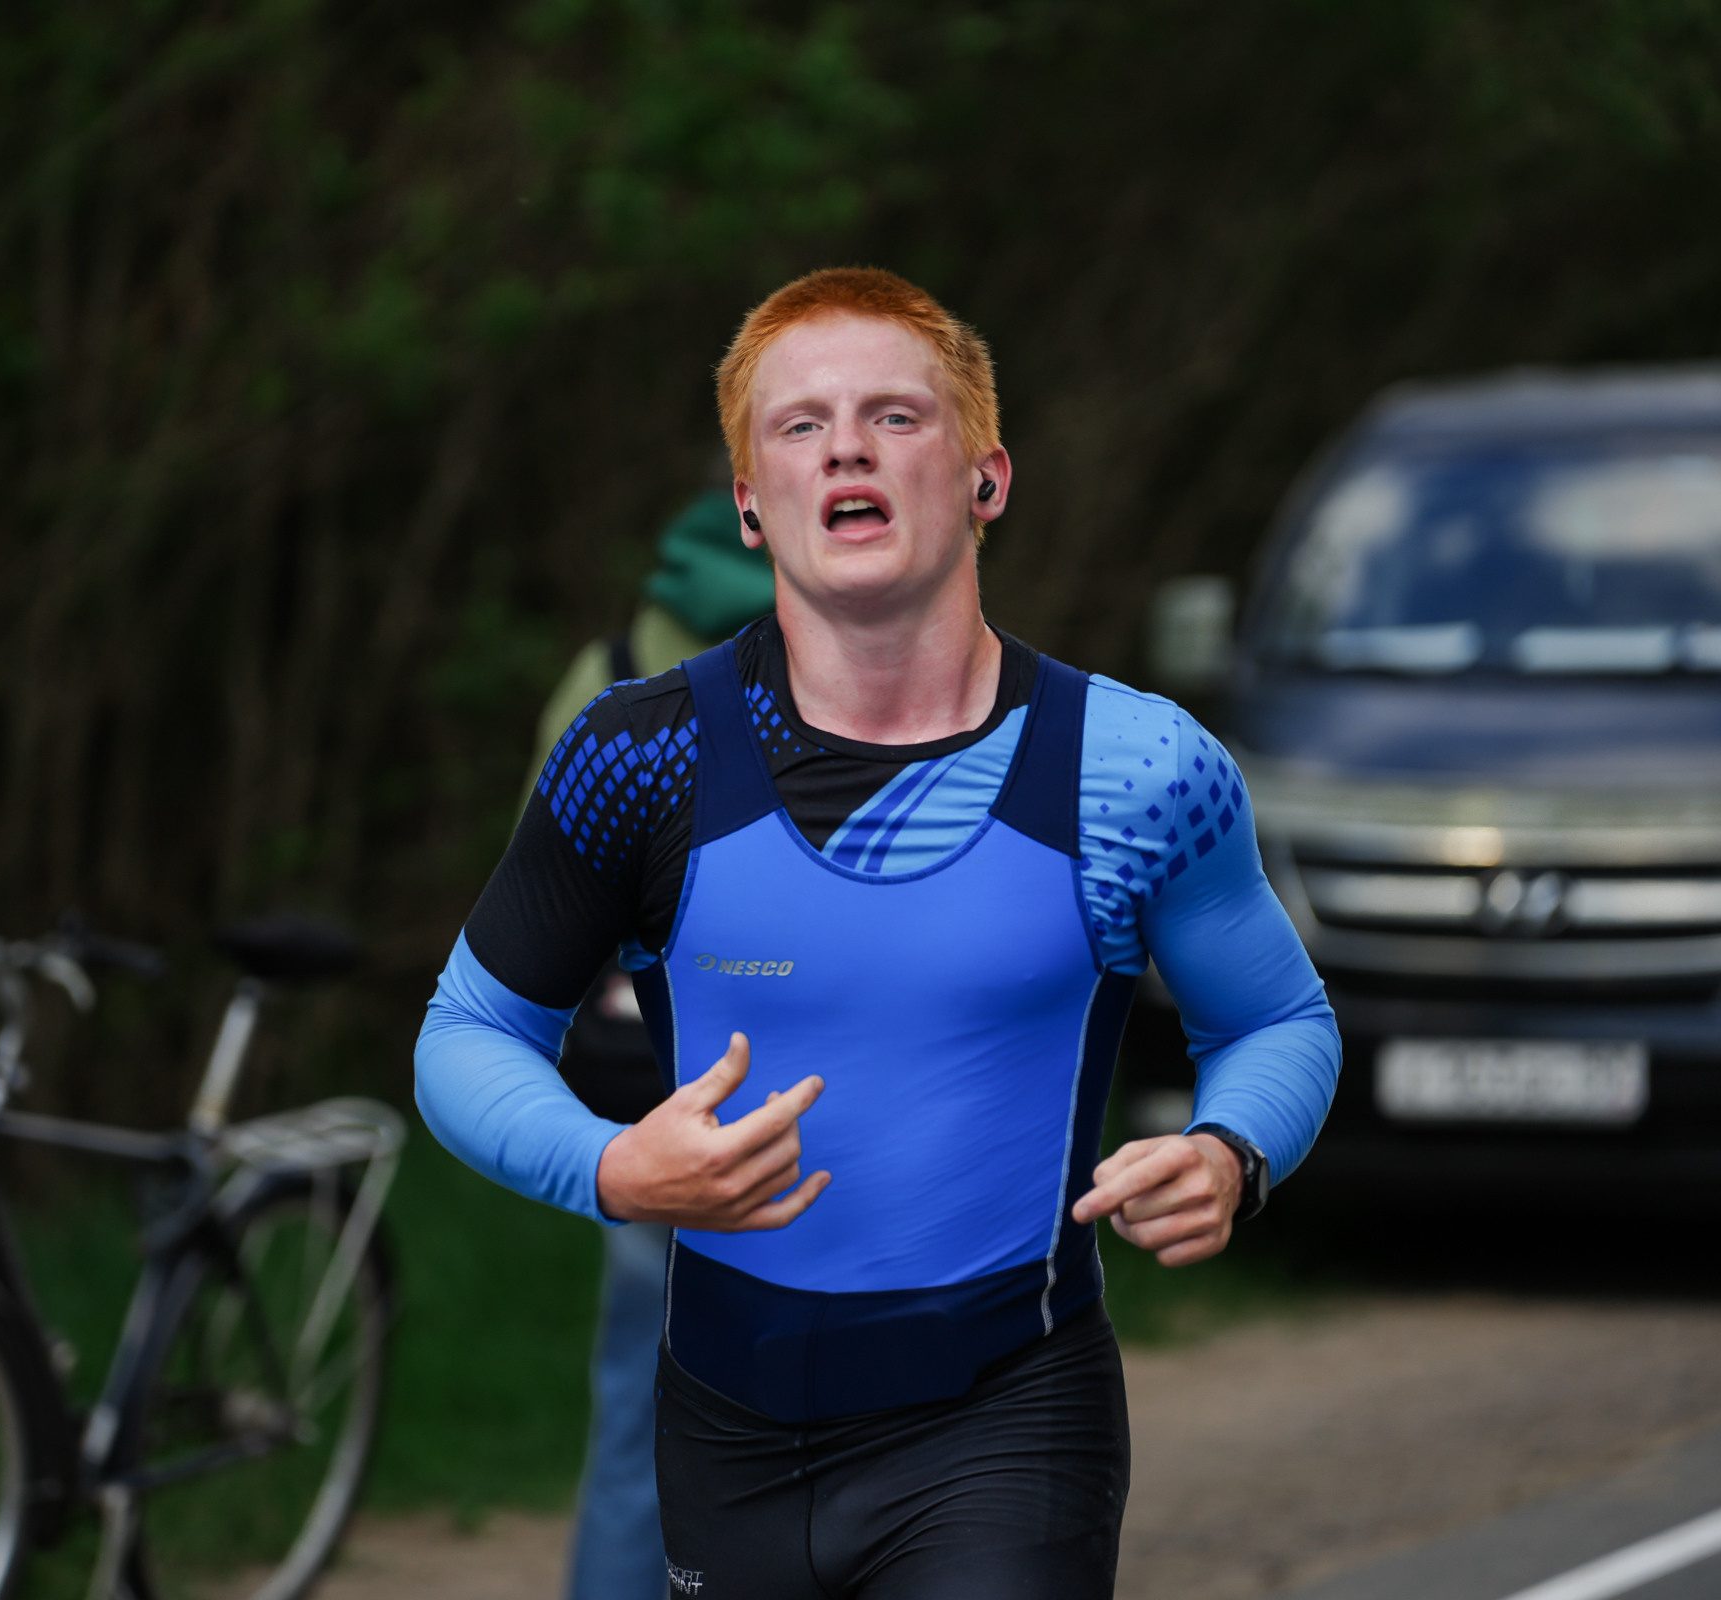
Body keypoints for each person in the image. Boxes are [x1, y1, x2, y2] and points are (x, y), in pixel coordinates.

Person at [417, 267, 1340, 1599]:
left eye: (896, 416)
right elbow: (468, 1033)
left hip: (1009, 1418)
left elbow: (1276, 1020)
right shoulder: (640, 759)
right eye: (799, 424)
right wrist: (612, 1167)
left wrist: (1230, 1146)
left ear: (988, 477)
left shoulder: (1137, 769)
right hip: (728, 1426)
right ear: (747, 501)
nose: (846, 445)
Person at [530, 488, 777, 1600]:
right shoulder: (832, 660)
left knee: (637, 1393)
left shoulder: (611, 664)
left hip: (639, 1081)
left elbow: (537, 883)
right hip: (788, 1074)